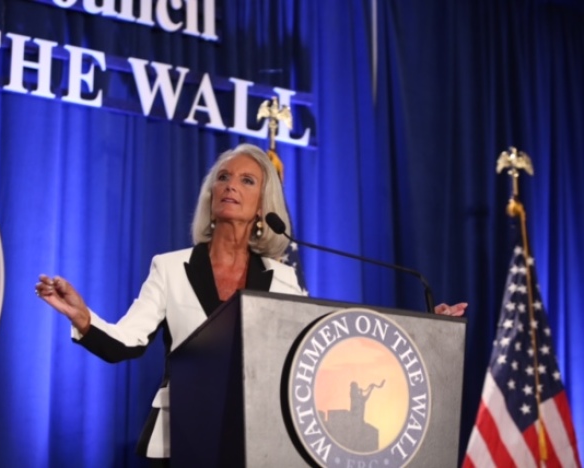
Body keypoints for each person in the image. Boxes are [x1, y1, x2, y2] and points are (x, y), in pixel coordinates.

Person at [35, 143, 466, 465]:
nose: (230, 187)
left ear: (263, 205)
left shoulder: (281, 277)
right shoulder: (169, 267)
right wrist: (84, 318)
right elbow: (127, 342)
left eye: (246, 181)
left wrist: (425, 332)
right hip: (180, 437)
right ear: (210, 194)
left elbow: (319, 355)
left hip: (259, 438)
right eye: (223, 177)